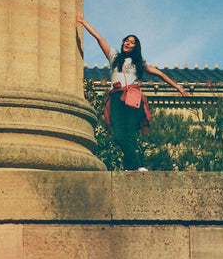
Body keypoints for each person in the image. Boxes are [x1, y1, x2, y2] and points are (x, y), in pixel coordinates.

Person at [77, 15, 189, 171]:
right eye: (126, 41)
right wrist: (84, 23)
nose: (127, 43)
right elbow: (99, 38)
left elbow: (160, 75)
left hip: (131, 98)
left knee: (129, 134)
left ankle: (136, 166)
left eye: (131, 42)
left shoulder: (139, 63)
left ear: (135, 47)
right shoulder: (114, 56)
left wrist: (179, 88)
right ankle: (133, 165)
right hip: (115, 97)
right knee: (118, 135)